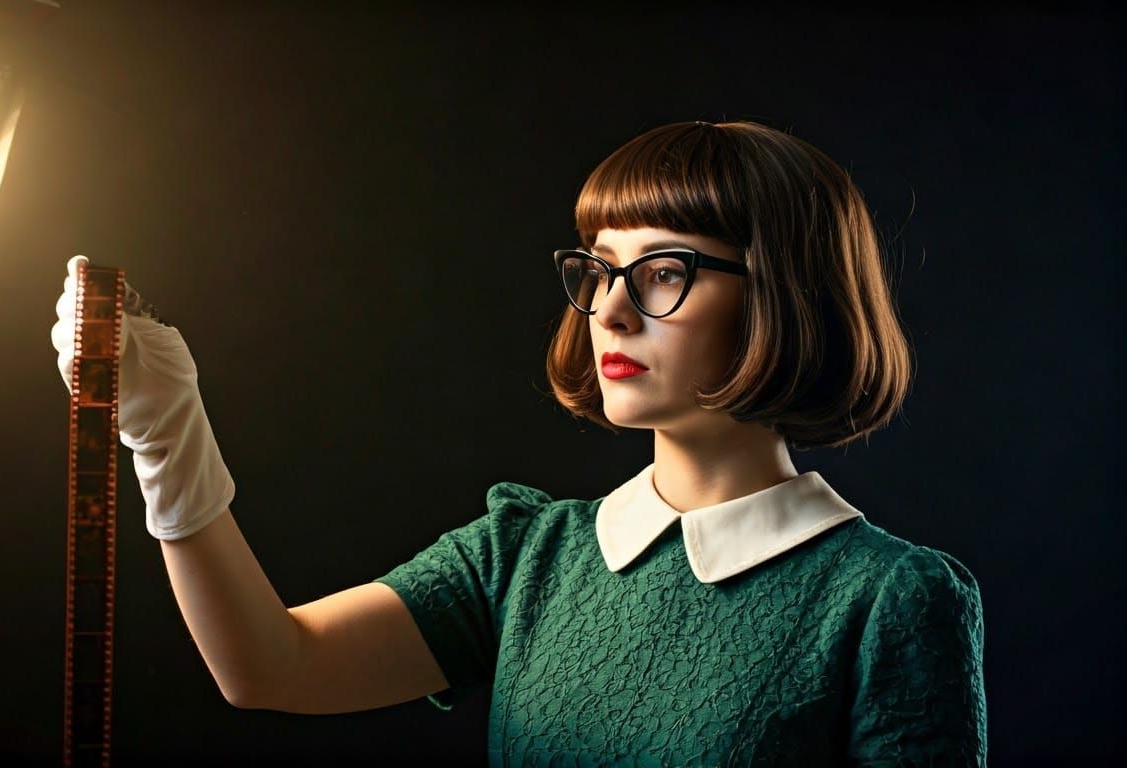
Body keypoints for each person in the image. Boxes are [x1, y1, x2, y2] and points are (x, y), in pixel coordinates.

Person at [49, 120, 987, 765]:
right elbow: (269, 666)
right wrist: (166, 429)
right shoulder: (528, 555)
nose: (610, 311)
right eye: (600, 270)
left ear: (785, 295)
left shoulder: (890, 601)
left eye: (664, 271)